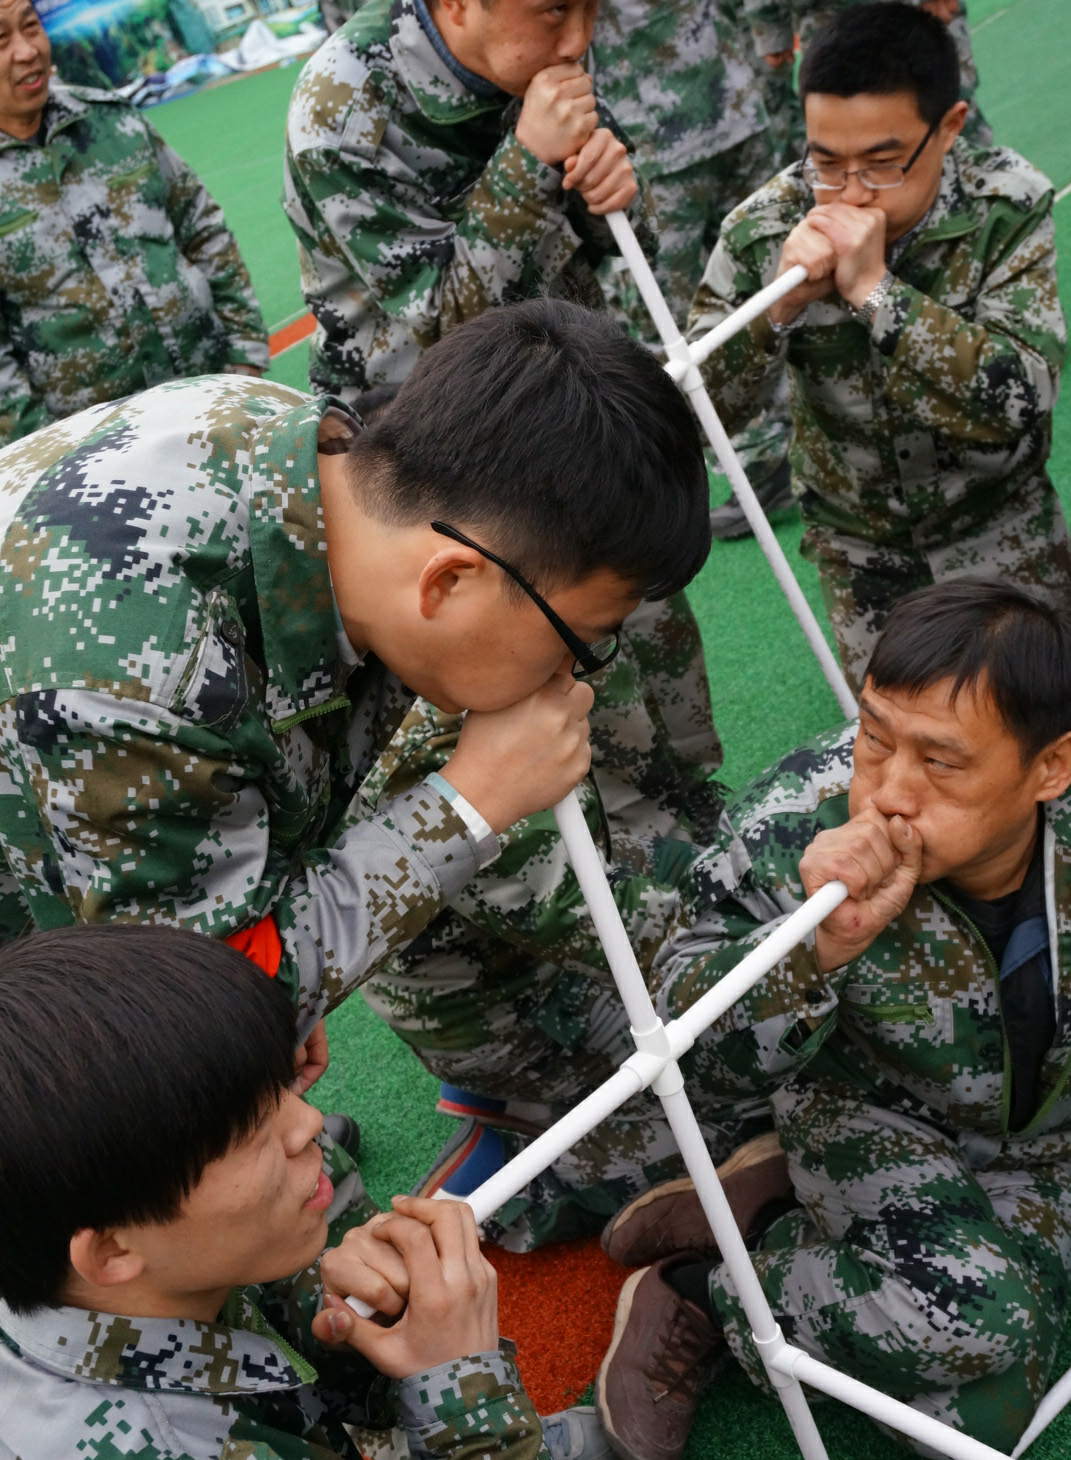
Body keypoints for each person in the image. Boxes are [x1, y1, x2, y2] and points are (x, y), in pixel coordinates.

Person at [0, 301, 709, 1071]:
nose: (571, 675)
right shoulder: (143, 681)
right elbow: (188, 1012)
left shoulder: (301, 453)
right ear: (449, 580)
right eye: (579, 640)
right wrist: (471, 802)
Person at [0, 923, 745, 1460]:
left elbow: (239, 1332)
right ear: (112, 1250)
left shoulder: (91, 1267)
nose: (309, 1124)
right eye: (250, 1134)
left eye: (279, 1091)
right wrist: (468, 1404)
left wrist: (357, 1319)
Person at [594, 580, 1071, 1460]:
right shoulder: (796, 819)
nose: (887, 792)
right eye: (875, 737)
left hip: (1052, 1148)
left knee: (973, 1423)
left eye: (940, 762)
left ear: (1052, 768)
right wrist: (814, 947)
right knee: (977, 1323)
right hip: (875, 1116)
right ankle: (712, 1290)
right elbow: (684, 1050)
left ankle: (770, 1207)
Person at [358, 589, 778, 1252]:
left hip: (551, 926)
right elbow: (615, 928)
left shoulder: (515, 632)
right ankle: (530, 1180)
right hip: (521, 1007)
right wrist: (787, 931)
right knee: (768, 1079)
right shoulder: (437, 737)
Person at [689, 3, 1071, 689]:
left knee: (1037, 716)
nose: (850, 193)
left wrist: (877, 294)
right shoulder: (766, 229)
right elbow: (699, 415)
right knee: (899, 729)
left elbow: (1023, 396)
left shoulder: (1003, 209)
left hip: (999, 525)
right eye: (826, 162)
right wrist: (775, 313)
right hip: (861, 552)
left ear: (949, 128)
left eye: (883, 164)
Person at [282, 0, 646, 411]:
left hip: (568, 367)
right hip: (432, 414)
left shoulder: (540, 46)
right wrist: (530, 162)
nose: (579, 41)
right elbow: (447, 330)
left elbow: (636, 239)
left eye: (593, 6)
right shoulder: (343, 107)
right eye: (557, 9)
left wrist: (612, 190)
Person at [0, 0, 269, 447]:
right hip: (97, 451)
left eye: (31, 27)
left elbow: (203, 227)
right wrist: (49, 457)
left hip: (214, 396)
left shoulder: (111, 120)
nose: (28, 51)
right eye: (2, 39)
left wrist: (245, 354)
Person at [590, 0, 795, 537]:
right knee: (769, 286)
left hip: (658, 139)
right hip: (732, 102)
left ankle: (762, 457)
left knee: (677, 323)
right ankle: (792, 441)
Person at [740, 0, 993, 148]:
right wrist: (769, 26)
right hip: (829, 24)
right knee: (855, 138)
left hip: (908, 15)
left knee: (943, 112)